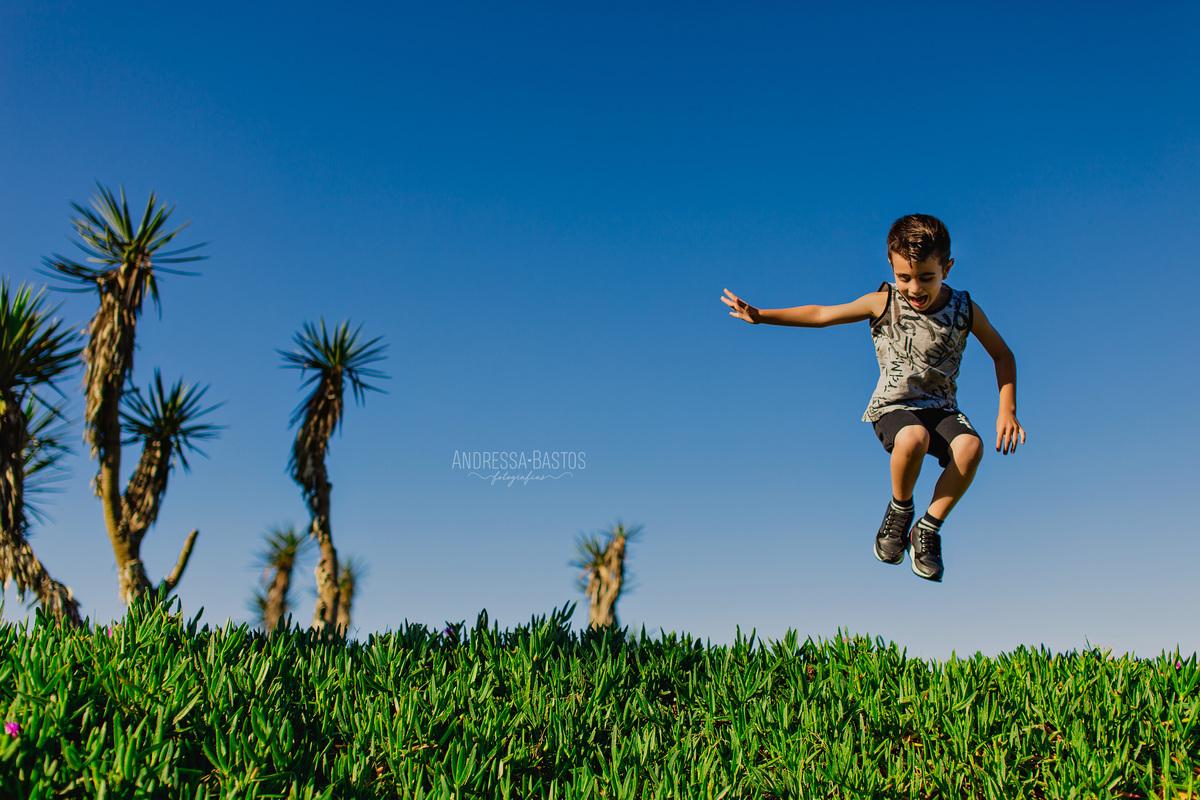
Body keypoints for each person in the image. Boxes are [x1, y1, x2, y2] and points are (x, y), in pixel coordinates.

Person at [721, 214, 1024, 582]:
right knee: (913, 438)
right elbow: (822, 314)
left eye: (927, 277)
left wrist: (1007, 410)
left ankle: (928, 528)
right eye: (904, 277)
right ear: (892, 267)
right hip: (894, 407)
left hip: (941, 408)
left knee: (971, 448)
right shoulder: (882, 302)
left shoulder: (965, 309)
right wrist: (762, 315)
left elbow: (1002, 354)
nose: (914, 288)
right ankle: (900, 510)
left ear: (947, 268)